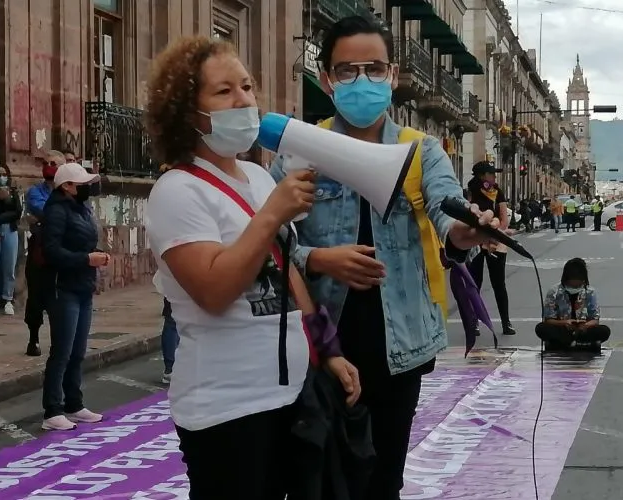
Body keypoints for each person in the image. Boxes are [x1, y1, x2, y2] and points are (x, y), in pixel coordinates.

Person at [270, 16, 498, 500]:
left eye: (373, 69)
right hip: (319, 346)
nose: (362, 81)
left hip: (401, 347)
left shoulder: (423, 150)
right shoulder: (298, 151)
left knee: (383, 478)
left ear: (392, 75)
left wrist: (468, 230)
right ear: (326, 79)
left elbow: (445, 216)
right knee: (321, 479)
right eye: (347, 71)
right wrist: (319, 259)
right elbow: (269, 241)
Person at [143, 36, 366, 499]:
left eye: (246, 86)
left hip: (290, 397)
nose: (243, 99)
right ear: (188, 112)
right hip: (227, 410)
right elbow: (214, 290)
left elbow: (290, 275)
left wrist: (328, 348)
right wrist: (270, 216)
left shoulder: (260, 178)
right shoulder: (177, 191)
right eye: (223, 92)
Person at [40, 162, 108, 430]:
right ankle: (52, 410)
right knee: (62, 351)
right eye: (81, 184)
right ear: (67, 186)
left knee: (78, 351)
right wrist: (86, 259)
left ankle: (74, 403)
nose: (87, 188)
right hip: (63, 288)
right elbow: (52, 251)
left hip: (82, 286)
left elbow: (84, 241)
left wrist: (97, 255)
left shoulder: (81, 208)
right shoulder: (56, 211)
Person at [466, 162, 516, 337]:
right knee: (474, 283)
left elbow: (503, 217)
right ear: (482, 175)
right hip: (476, 242)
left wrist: (498, 232)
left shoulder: (498, 191)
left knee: (499, 284)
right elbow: (468, 215)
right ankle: (474, 322)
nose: (494, 177)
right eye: (491, 173)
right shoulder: (470, 191)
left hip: (496, 241)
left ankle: (506, 322)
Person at [24, 150, 65, 356]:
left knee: (59, 299)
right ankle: (34, 338)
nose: (49, 166)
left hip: (61, 252)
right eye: (47, 163)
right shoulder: (35, 192)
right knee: (36, 297)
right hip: (39, 252)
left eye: (54, 163)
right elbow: (43, 210)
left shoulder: (70, 192)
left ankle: (59, 340)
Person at [535, 258, 611, 352]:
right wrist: (564, 323)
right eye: (573, 284)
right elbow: (548, 319)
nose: (575, 287)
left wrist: (585, 325)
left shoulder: (590, 292)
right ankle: (571, 341)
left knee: (604, 331)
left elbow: (595, 319)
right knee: (541, 328)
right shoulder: (554, 292)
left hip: (583, 330)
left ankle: (569, 342)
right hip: (562, 329)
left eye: (578, 285)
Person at [0, 163, 23, 316]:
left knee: (9, 266)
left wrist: (2, 215)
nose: (2, 177)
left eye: (4, 174)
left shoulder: (13, 192)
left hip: (10, 230)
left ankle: (8, 299)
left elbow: (17, 212)